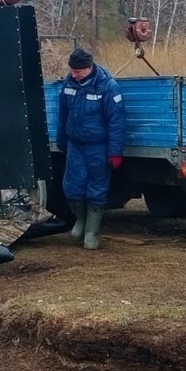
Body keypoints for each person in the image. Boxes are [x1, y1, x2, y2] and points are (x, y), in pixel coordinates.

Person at [57, 48, 127, 250]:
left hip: (98, 146)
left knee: (96, 189)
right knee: (72, 187)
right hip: (75, 145)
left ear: (89, 68)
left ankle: (92, 232)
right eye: (72, 70)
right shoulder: (69, 84)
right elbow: (63, 114)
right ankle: (80, 220)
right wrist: (62, 140)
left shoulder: (107, 86)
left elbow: (117, 121)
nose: (74, 74)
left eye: (78, 71)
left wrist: (115, 152)